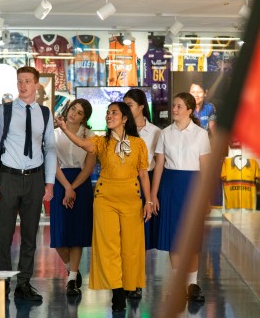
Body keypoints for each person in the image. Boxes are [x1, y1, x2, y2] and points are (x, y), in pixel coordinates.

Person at [55, 102, 154, 313]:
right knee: (108, 247)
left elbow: (144, 174)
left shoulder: (138, 144)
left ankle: (129, 285)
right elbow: (83, 144)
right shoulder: (100, 141)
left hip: (131, 198)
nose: (109, 116)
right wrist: (64, 129)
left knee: (130, 247)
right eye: (108, 113)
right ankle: (117, 291)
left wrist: (149, 200)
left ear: (125, 118)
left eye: (114, 113)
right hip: (105, 199)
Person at [0, 66, 56, 302]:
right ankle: (2, 283)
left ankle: (23, 284)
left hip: (34, 179)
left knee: (29, 235)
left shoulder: (45, 114)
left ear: (37, 84)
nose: (23, 85)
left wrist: (49, 182)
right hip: (9, 177)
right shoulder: (4, 111)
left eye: (27, 81)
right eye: (19, 81)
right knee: (4, 235)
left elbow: (51, 150)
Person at [151, 92, 211, 302]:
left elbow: (205, 167)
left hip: (193, 187)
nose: (174, 110)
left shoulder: (201, 134)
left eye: (178, 106)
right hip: (169, 186)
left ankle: (192, 284)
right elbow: (159, 165)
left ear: (189, 110)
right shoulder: (165, 133)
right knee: (174, 237)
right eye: (173, 106)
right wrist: (153, 195)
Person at [47, 99, 96, 296]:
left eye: (80, 112)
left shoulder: (90, 136)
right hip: (60, 182)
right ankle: (71, 270)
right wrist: (66, 187)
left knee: (77, 235)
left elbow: (89, 167)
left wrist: (73, 187)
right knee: (59, 237)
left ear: (85, 118)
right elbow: (52, 163)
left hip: (81, 185)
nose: (74, 113)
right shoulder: (54, 133)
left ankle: (72, 279)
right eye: (73, 109)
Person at [123, 88, 161, 299]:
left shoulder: (155, 132)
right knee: (124, 235)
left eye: (129, 105)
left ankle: (135, 280)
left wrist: (151, 196)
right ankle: (125, 278)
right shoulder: (119, 130)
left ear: (141, 107)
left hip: (144, 183)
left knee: (140, 236)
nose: (126, 109)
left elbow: (156, 165)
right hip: (123, 183)